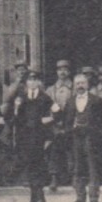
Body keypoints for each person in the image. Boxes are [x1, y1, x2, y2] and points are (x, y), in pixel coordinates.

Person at [7, 71, 56, 202]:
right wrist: (16, 110)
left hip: (40, 137)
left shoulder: (45, 98)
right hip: (25, 138)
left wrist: (45, 122)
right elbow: (14, 118)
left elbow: (57, 113)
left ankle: (39, 198)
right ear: (26, 83)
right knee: (29, 167)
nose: (33, 82)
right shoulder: (20, 98)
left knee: (38, 167)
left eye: (35, 79)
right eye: (30, 79)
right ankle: (34, 198)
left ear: (39, 83)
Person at [61, 72, 102, 202]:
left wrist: (94, 130)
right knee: (78, 167)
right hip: (76, 138)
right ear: (74, 86)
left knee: (92, 167)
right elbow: (66, 121)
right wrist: (70, 130)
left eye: (82, 83)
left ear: (87, 85)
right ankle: (80, 197)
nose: (80, 86)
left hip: (91, 138)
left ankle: (94, 198)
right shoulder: (70, 102)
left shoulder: (96, 100)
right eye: (77, 84)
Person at [46, 60, 75, 190]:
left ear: (69, 72)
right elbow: (46, 107)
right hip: (55, 125)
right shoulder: (51, 90)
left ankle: (74, 177)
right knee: (54, 151)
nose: (62, 72)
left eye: (65, 69)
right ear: (56, 72)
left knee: (72, 151)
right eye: (59, 69)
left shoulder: (74, 88)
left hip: (71, 124)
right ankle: (54, 178)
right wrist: (54, 120)